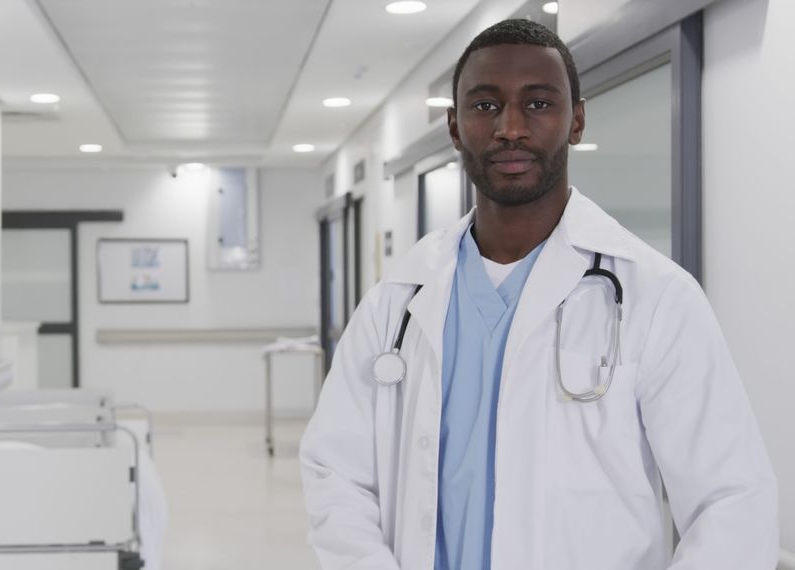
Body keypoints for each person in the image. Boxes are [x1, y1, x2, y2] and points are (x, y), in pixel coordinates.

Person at [299, 18, 778, 570]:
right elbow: (335, 472)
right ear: (454, 127)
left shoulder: (657, 296)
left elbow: (731, 500)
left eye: (538, 104)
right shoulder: (397, 300)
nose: (510, 128)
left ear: (575, 121)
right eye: (484, 106)